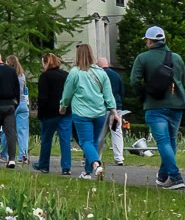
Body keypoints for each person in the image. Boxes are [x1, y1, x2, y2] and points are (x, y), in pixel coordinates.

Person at [128, 25, 185, 189]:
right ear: (164, 40)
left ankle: (176, 178)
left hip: (155, 106)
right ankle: (163, 177)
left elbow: (134, 81)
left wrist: (144, 96)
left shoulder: (142, 58)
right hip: (177, 105)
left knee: (163, 142)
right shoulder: (176, 58)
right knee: (170, 142)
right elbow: (182, 80)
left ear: (149, 41)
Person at [59, 43, 117, 180]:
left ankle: (96, 165)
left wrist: (63, 106)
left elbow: (67, 93)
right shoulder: (101, 73)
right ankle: (87, 172)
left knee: (85, 141)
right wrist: (114, 112)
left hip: (82, 113)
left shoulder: (75, 73)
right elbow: (108, 95)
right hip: (99, 113)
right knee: (94, 142)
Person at [33, 52, 72, 175]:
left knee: (46, 140)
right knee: (65, 140)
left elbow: (43, 97)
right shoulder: (66, 75)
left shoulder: (45, 76)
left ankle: (44, 165)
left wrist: (41, 114)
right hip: (65, 111)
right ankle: (66, 167)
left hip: (49, 113)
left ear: (46, 62)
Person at [97, 57, 128, 166]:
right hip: (116, 108)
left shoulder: (98, 75)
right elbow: (122, 91)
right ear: (108, 64)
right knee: (116, 131)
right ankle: (119, 157)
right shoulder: (116, 75)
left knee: (100, 133)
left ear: (98, 65)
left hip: (103, 109)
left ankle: (97, 157)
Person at [8, 56, 32, 160]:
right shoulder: (22, 76)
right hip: (23, 104)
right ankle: (23, 154)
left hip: (12, 104)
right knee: (23, 131)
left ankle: (4, 153)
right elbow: (24, 90)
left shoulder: (9, 75)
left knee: (8, 130)